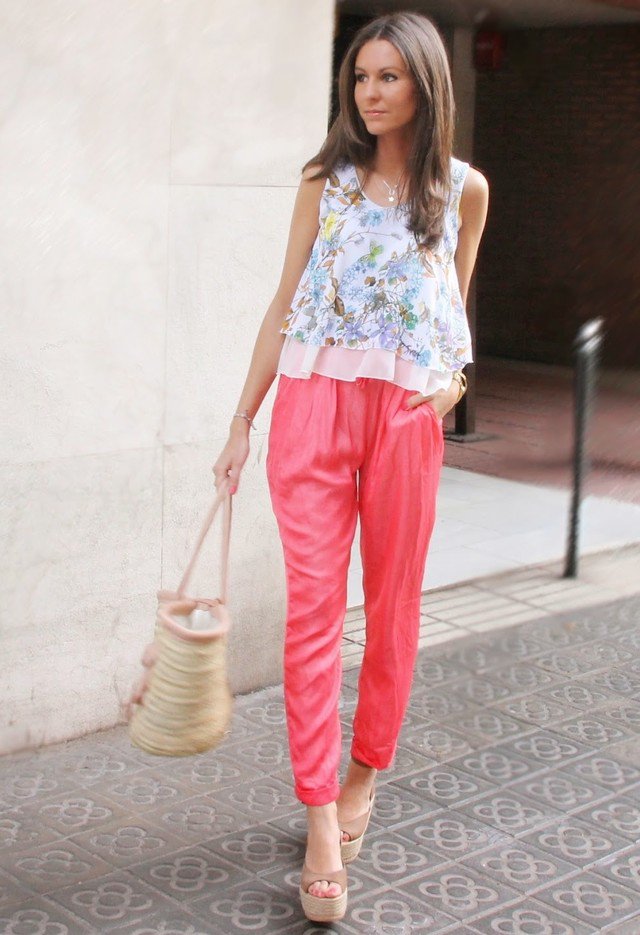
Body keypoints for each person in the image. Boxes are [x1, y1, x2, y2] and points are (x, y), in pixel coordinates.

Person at [212, 10, 489, 923]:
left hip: (405, 416)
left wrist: (452, 384)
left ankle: (369, 766)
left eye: (387, 77)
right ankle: (321, 813)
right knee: (315, 613)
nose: (369, 93)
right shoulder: (323, 182)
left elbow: (454, 309)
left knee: (397, 603)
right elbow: (282, 301)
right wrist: (242, 418)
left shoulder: (462, 192)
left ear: (425, 83)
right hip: (313, 408)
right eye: (359, 78)